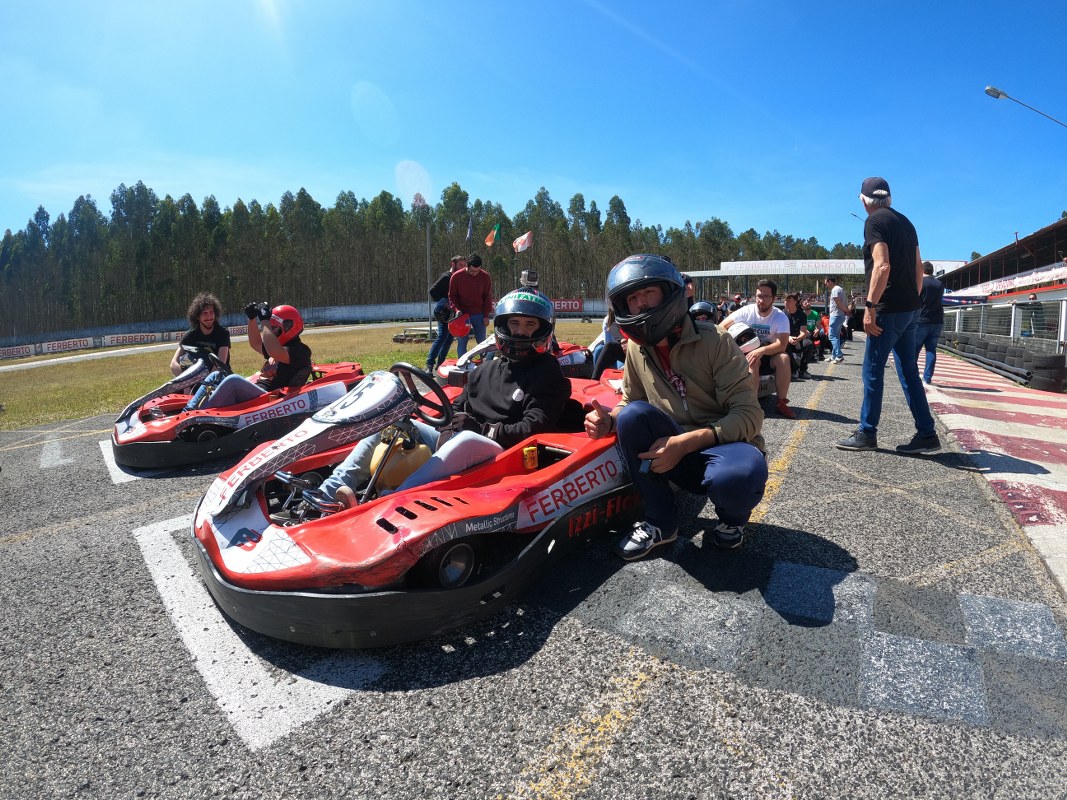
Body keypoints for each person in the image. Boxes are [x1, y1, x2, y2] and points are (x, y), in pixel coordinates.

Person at [584, 254, 767, 560]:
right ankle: (660, 524)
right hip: (674, 452)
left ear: (670, 294)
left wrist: (686, 442)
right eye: (632, 298)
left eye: (648, 293)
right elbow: (632, 401)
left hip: (723, 449)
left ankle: (732, 522)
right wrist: (610, 421)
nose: (640, 304)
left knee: (739, 476)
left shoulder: (716, 342)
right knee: (630, 416)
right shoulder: (637, 349)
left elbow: (750, 415)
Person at [319, 289, 571, 508]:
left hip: (505, 454)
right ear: (503, 327)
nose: (521, 332)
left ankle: (391, 499)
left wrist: (481, 429)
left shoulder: (548, 373)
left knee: (467, 439)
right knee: (392, 421)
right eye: (515, 323)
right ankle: (329, 493)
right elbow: (459, 406)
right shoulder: (487, 368)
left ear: (542, 330)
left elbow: (534, 428)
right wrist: (444, 421)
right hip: (464, 443)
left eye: (530, 325)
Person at [837, 177, 940, 455]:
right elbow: (919, 268)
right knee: (909, 372)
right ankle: (927, 433)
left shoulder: (874, 222)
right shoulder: (907, 223)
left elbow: (882, 266)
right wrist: (915, 303)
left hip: (888, 309)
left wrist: (870, 307)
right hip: (910, 309)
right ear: (889, 198)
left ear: (864, 199)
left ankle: (867, 432)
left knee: (872, 370)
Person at [187, 303, 312, 409]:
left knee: (233, 381)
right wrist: (251, 319)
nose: (271, 331)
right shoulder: (278, 347)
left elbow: (274, 351)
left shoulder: (301, 351)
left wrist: (264, 321)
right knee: (215, 375)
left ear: (287, 327)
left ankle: (200, 414)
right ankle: (189, 410)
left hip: (270, 397)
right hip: (259, 391)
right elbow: (256, 343)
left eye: (274, 328)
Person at [722, 279, 796, 419]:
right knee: (753, 360)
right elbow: (722, 327)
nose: (761, 300)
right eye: (758, 296)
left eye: (766, 296)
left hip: (768, 353)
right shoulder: (746, 311)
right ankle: (752, 405)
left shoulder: (780, 317)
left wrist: (761, 350)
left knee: (784, 358)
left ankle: (781, 403)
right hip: (746, 355)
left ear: (774, 298)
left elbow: (782, 345)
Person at [169, 292, 230, 376]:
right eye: (205, 313)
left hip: (219, 378)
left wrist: (205, 385)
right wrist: (185, 384)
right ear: (197, 316)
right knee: (184, 360)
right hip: (195, 380)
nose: (209, 317)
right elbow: (174, 363)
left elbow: (220, 364)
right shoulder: (190, 336)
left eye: (211, 312)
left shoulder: (223, 334)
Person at [448, 253, 493, 357]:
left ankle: (485, 365)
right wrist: (457, 309)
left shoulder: (485, 277)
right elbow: (452, 296)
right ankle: (462, 365)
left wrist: (486, 315)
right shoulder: (456, 277)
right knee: (462, 341)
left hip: (479, 313)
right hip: (462, 315)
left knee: (482, 342)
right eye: (472, 271)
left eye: (477, 271)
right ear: (466, 266)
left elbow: (487, 297)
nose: (475, 274)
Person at [426, 256, 466, 372]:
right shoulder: (446, 277)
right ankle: (430, 365)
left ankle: (440, 365)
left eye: (464, 266)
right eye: (460, 265)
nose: (462, 268)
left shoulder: (459, 278)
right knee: (442, 336)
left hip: (453, 313)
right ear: (453, 264)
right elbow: (432, 291)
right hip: (443, 312)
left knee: (449, 339)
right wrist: (444, 301)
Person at [915, 261, 945, 384]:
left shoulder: (921, 282)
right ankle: (927, 378)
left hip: (922, 319)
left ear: (922, 270)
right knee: (931, 350)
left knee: (914, 349)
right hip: (937, 320)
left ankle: (913, 376)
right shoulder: (940, 284)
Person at [783, 293, 814, 378]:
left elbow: (803, 332)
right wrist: (788, 338)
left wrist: (797, 339)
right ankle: (794, 369)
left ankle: (803, 370)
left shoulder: (802, 315)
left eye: (789, 300)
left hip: (797, 339)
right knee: (784, 344)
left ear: (795, 302)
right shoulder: (781, 314)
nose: (786, 302)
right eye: (785, 300)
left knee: (809, 344)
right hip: (785, 339)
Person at [824, 275, 849, 363]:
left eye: (826, 283)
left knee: (831, 336)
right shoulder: (840, 289)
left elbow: (838, 302)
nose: (826, 285)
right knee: (836, 337)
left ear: (830, 281)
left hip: (836, 315)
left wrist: (846, 310)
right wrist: (846, 311)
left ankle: (839, 355)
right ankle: (834, 355)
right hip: (840, 315)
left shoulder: (835, 290)